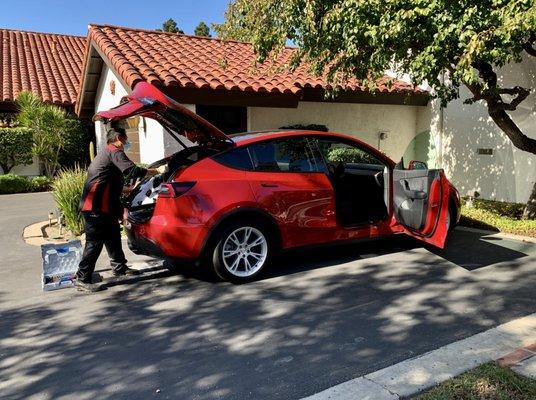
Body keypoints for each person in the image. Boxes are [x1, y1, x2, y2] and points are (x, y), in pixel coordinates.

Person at [75, 126, 150, 292]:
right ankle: (82, 278)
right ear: (118, 138)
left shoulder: (106, 153)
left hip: (105, 206)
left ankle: (120, 268)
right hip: (95, 206)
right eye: (125, 138)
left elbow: (106, 181)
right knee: (94, 243)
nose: (127, 142)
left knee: (113, 236)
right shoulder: (114, 151)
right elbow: (131, 171)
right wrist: (152, 171)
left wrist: (128, 190)